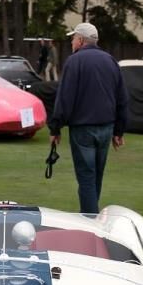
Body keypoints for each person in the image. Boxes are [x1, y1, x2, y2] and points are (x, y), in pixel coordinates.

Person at [47, 21, 127, 215]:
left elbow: (65, 98)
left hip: (83, 128)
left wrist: (55, 127)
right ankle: (92, 213)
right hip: (106, 127)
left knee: (86, 176)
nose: (72, 42)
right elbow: (122, 98)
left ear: (81, 40)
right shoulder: (110, 60)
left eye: (74, 38)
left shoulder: (74, 61)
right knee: (96, 175)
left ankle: (90, 219)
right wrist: (119, 130)